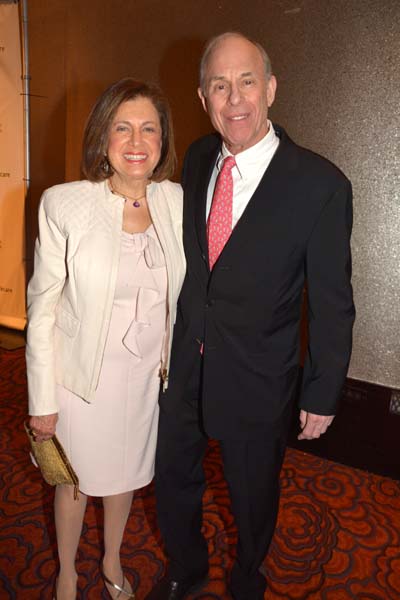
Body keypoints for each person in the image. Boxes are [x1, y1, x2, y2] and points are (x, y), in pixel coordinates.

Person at [146, 32, 355, 600]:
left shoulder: (321, 185)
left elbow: (333, 301)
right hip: (187, 366)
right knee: (173, 481)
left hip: (259, 377)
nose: (234, 98)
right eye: (219, 85)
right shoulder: (193, 159)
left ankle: (247, 579)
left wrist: (323, 388)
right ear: (202, 97)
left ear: (270, 88)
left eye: (246, 81)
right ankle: (185, 571)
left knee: (253, 495)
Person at [26, 78, 186, 600]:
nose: (136, 140)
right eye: (123, 127)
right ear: (103, 138)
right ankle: (67, 572)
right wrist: (42, 401)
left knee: (124, 479)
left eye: (148, 128)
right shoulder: (64, 205)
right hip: (80, 382)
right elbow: (43, 308)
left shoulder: (178, 203)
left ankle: (113, 562)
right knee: (73, 482)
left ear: (163, 141)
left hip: (143, 380)